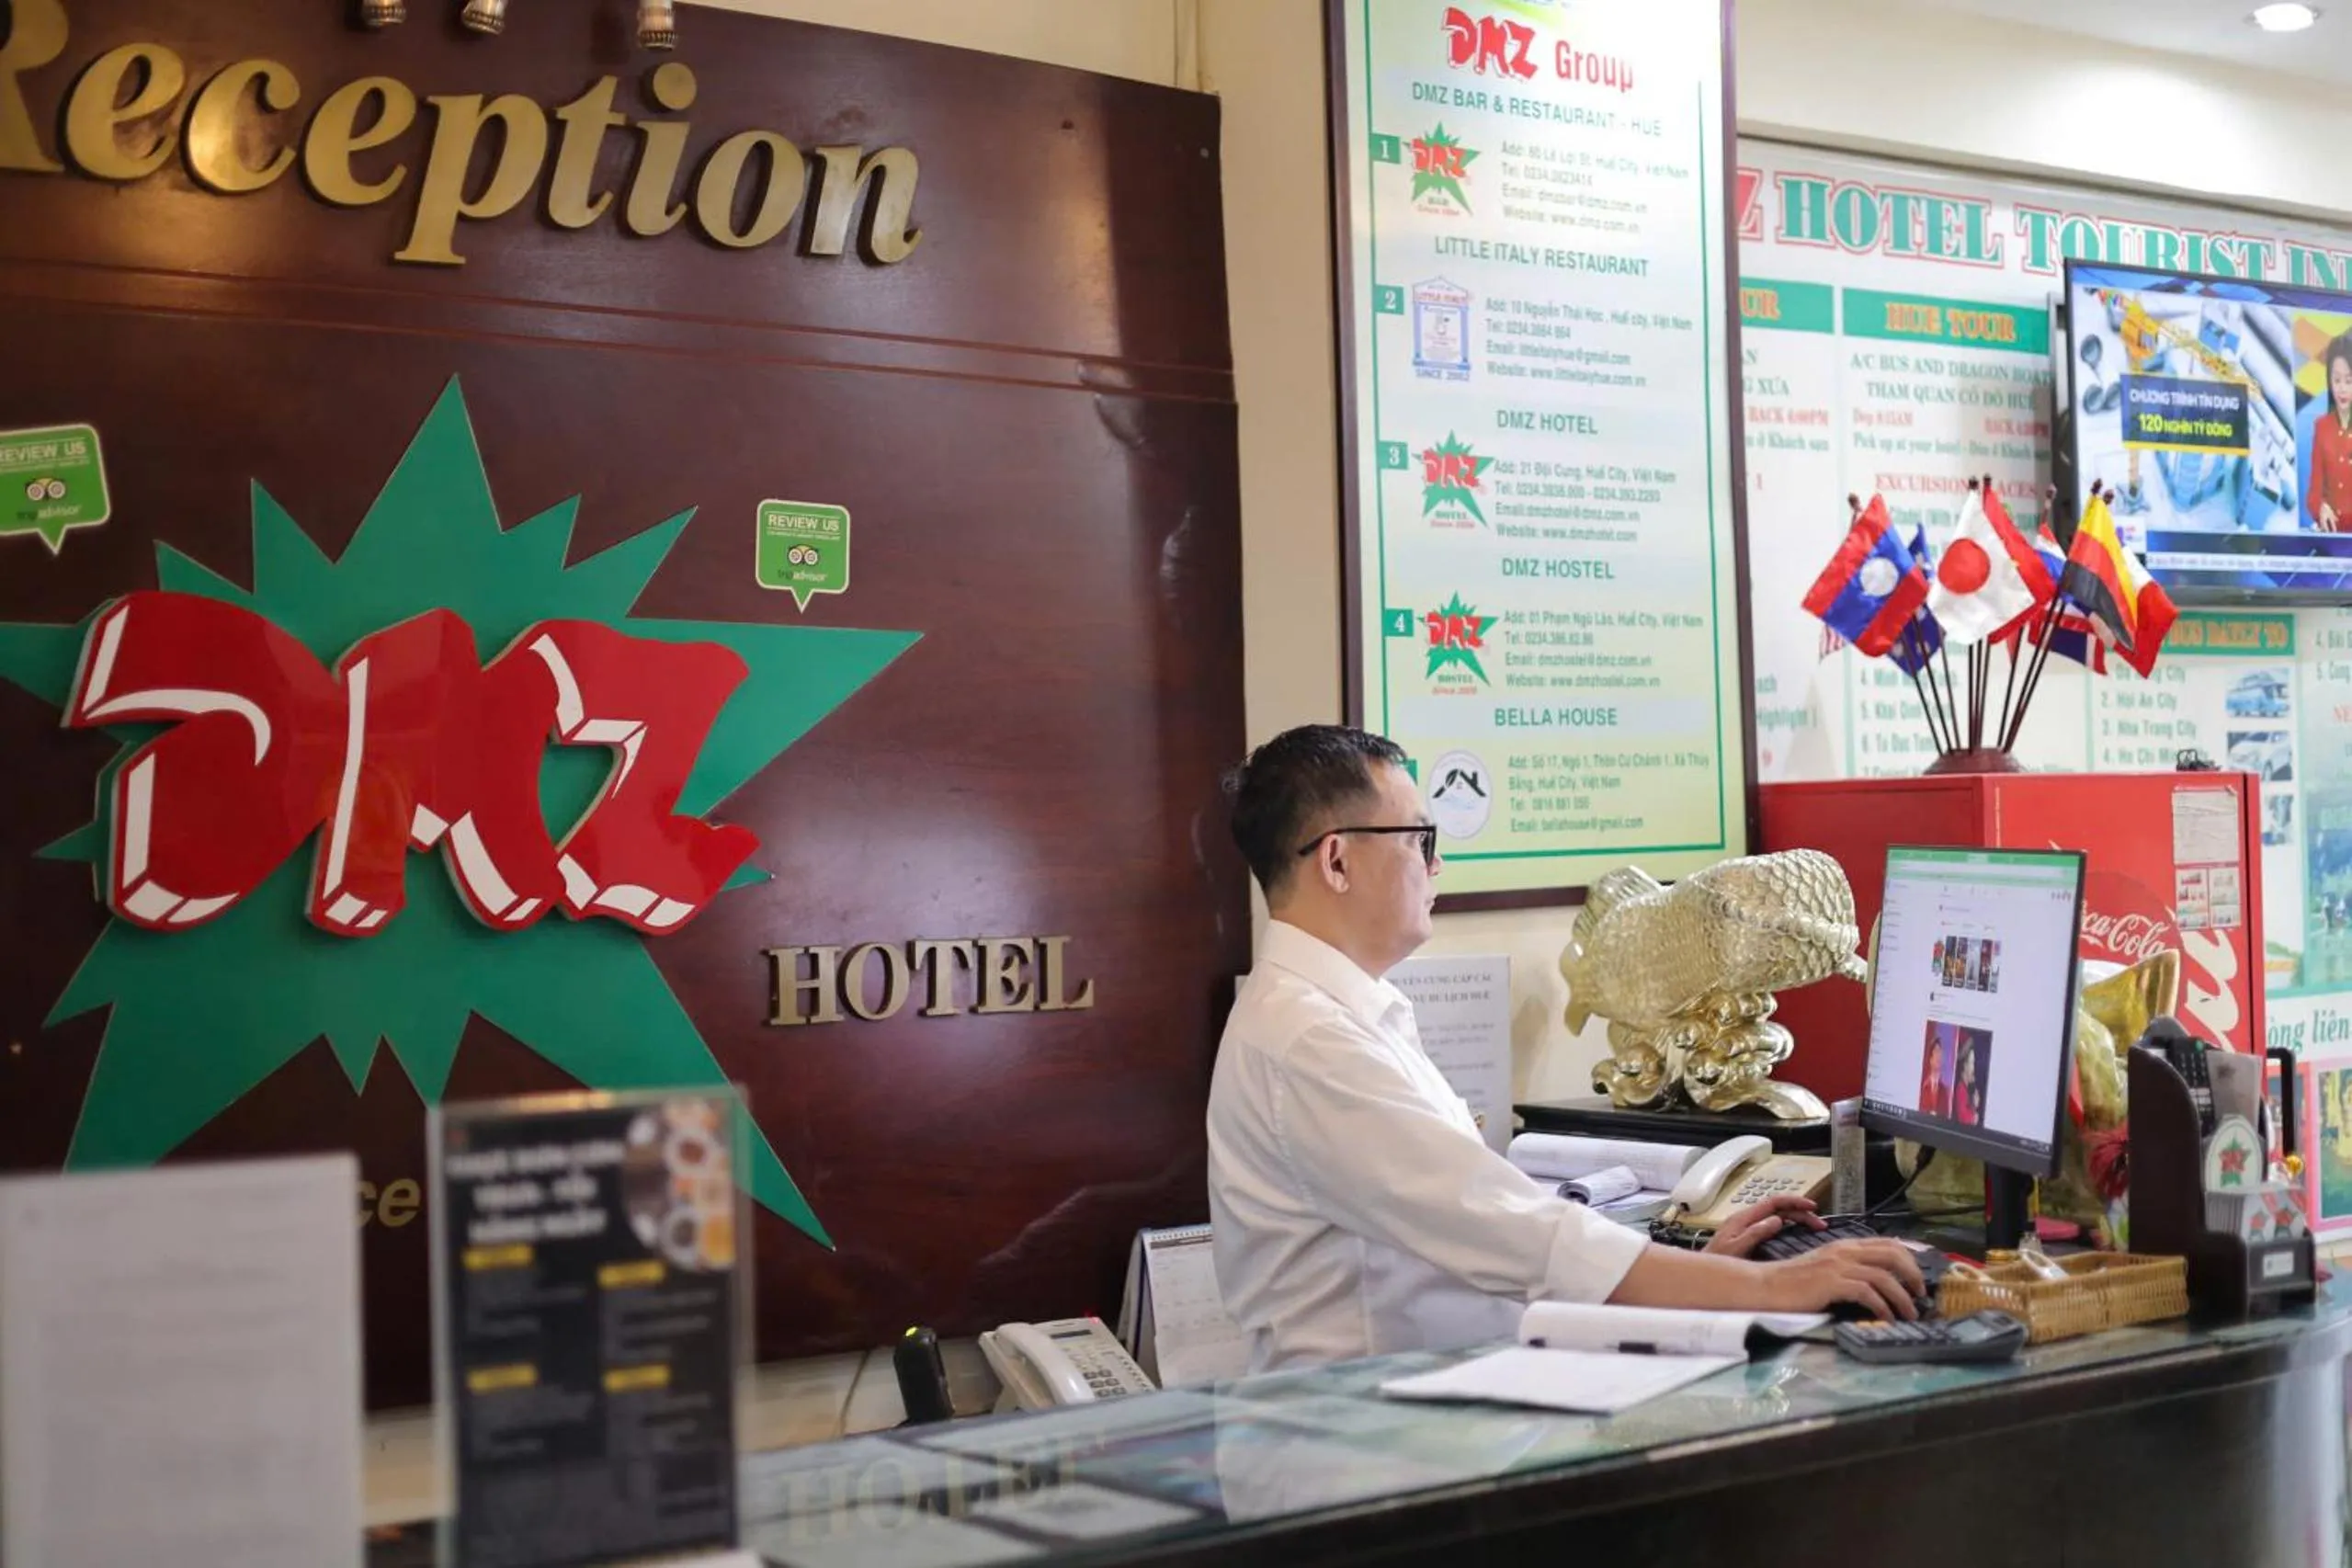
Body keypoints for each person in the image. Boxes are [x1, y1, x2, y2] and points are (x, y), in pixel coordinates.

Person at [1206, 725, 1924, 1372]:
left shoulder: (1342, 1012)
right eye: (1421, 841)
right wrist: (1767, 1285)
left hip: (1441, 1393)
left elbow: (1489, 1241)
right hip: (1368, 1445)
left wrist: (1687, 1273)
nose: (1437, 867)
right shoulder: (1310, 1040)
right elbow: (1505, 1229)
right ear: (1336, 861)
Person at [2308, 332, 2352, 532]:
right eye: (2337, 380)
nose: (2342, 389)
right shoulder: (2322, 426)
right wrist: (2320, 508)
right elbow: (2313, 495)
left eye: (2349, 381)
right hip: (2332, 538)